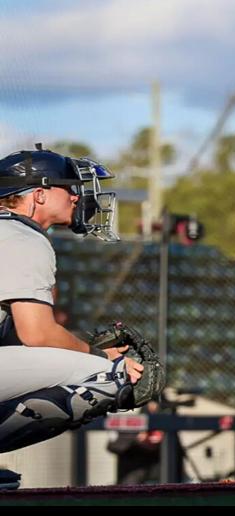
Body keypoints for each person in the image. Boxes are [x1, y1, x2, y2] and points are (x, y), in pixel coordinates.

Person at [0, 146, 159, 491]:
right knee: (112, 377)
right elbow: (37, 334)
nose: (76, 196)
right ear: (39, 194)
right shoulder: (20, 235)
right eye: (68, 187)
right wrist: (100, 356)